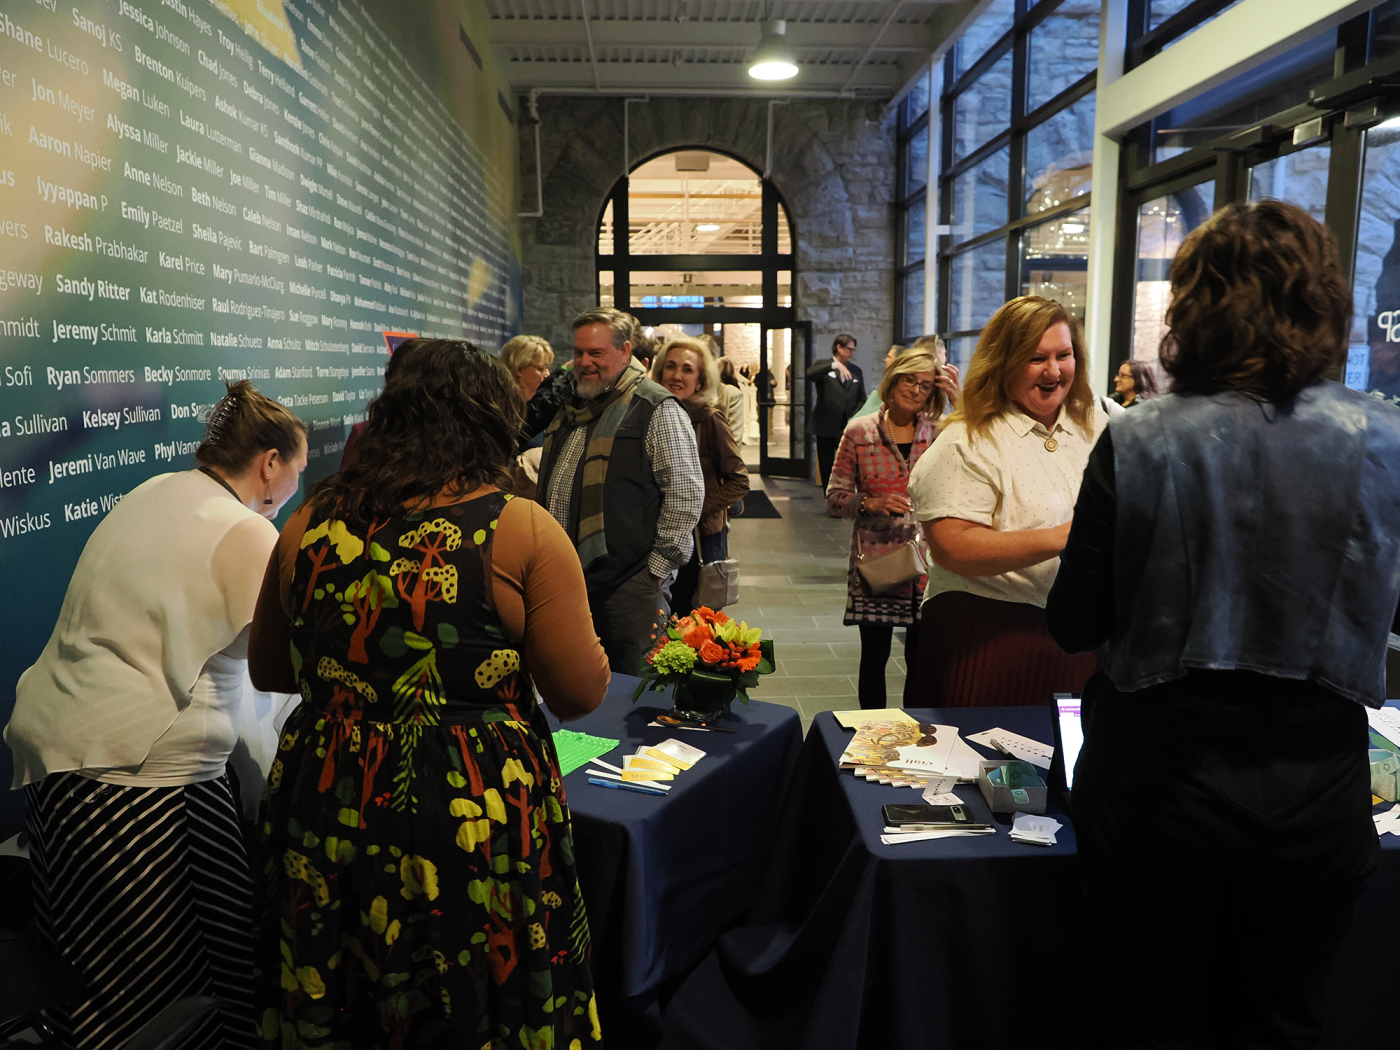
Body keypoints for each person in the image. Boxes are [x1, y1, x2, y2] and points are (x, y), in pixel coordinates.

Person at [1046, 201, 1400, 1050]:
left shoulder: (1141, 440)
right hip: (1319, 788)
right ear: (1325, 303)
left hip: (1158, 791)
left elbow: (1073, 622)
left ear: (1191, 307)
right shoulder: (1386, 440)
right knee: (1283, 1022)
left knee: (1143, 1019)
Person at [248, 339, 609, 1050]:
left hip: (331, 792)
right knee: (473, 984)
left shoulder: (311, 519)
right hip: (468, 800)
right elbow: (579, 693)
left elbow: (272, 668)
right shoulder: (517, 526)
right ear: (490, 419)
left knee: (342, 976)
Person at [7, 381, 307, 1050]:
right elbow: (286, 672)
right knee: (178, 981)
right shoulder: (245, 530)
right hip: (141, 788)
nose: (296, 485)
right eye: (299, 468)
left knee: (86, 968)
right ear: (269, 462)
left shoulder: (156, 491)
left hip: (59, 768)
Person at [907, 296, 1106, 706]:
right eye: (1037, 358)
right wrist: (1070, 537)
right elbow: (953, 547)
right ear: (1004, 362)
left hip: (1082, 644)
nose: (1054, 370)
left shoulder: (1100, 420)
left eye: (1063, 355)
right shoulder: (968, 440)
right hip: (989, 644)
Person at [537, 308, 704, 673]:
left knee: (637, 697)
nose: (584, 362)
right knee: (580, 691)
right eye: (579, 353)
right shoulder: (574, 407)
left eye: (596, 353)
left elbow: (686, 495)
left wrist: (654, 574)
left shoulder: (656, 408)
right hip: (571, 583)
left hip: (630, 587)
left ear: (625, 350)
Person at [827, 350, 944, 708]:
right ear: (893, 381)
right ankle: (872, 732)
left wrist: (960, 401)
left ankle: (915, 733)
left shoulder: (941, 433)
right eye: (910, 380)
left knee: (922, 660)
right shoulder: (860, 431)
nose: (915, 390)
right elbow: (834, 496)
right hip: (878, 562)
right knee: (874, 656)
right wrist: (869, 503)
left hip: (929, 566)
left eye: (925, 385)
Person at [652, 336, 750, 614]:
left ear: (700, 379)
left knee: (694, 617)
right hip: (659, 534)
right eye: (670, 367)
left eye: (687, 369)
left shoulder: (709, 418)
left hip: (700, 538)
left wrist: (695, 510)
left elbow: (739, 480)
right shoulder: (652, 414)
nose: (676, 375)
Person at [807, 334, 866, 489]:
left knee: (847, 464)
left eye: (854, 350)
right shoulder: (824, 365)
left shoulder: (856, 371)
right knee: (826, 465)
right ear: (839, 348)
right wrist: (834, 366)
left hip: (846, 426)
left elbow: (862, 397)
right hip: (826, 424)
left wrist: (854, 417)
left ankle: (845, 495)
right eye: (849, 349)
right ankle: (829, 498)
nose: (852, 353)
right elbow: (810, 374)